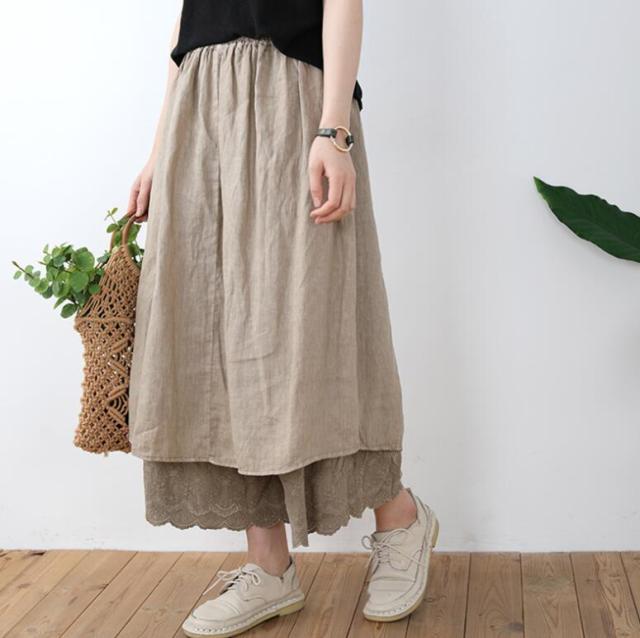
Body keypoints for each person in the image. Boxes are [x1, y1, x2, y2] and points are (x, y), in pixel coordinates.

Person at [125, 1, 438, 636]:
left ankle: (399, 516)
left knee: (313, 321)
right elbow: (189, 25)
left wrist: (334, 130)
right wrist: (159, 149)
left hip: (291, 99)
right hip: (200, 108)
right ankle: (268, 566)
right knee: (214, 335)